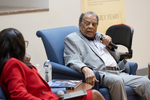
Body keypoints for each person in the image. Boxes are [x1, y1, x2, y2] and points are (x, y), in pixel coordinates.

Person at [64, 11, 150, 100]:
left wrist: (110, 46)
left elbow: (117, 57)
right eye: (87, 23)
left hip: (117, 72)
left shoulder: (100, 36)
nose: (90, 26)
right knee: (117, 81)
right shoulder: (72, 39)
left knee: (144, 81)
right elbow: (72, 59)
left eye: (94, 24)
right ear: (79, 25)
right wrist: (85, 69)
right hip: (101, 73)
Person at [0, 28, 105, 100]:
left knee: (94, 95)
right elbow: (19, 96)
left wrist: (26, 62)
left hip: (52, 96)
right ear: (18, 47)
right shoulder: (12, 64)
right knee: (95, 95)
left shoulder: (15, 63)